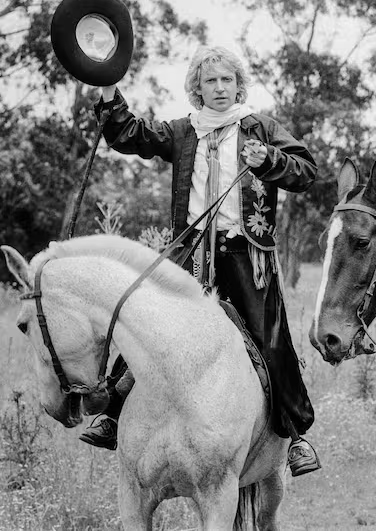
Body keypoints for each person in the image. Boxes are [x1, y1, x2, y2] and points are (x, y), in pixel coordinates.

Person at [81, 46, 321, 477]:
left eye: (226, 79)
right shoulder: (183, 130)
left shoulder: (260, 128)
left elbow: (306, 170)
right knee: (152, 325)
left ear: (238, 84)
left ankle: (295, 436)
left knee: (268, 339)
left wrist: (270, 160)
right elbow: (130, 134)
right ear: (197, 87)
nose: (219, 88)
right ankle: (114, 413)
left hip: (248, 251)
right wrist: (108, 89)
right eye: (210, 81)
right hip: (193, 251)